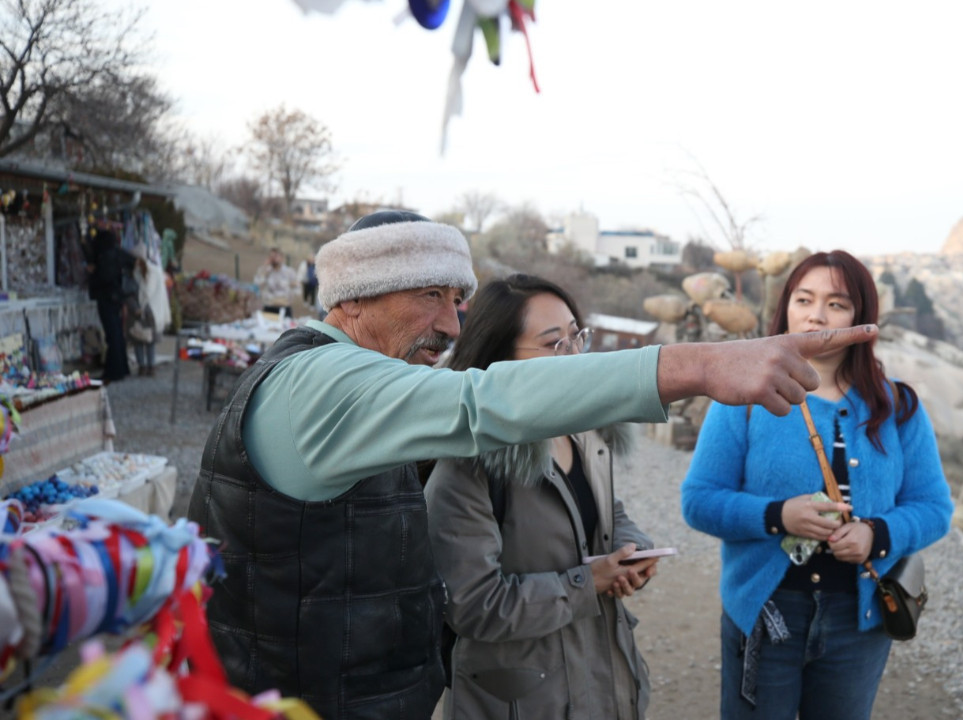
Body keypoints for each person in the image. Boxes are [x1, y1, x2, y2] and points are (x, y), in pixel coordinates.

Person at [186, 211, 879, 719]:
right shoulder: (317, 383)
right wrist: (697, 365)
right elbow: (478, 403)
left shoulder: (360, 388)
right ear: (355, 297)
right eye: (430, 296)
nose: (451, 326)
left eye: (457, 301)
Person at [681, 250, 954, 720]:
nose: (816, 316)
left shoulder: (898, 406)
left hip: (858, 622)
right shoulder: (744, 395)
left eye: (836, 304)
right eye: (804, 299)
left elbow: (934, 507)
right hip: (766, 611)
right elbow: (698, 500)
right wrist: (778, 516)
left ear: (861, 318)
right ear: (785, 307)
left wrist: (876, 534)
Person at [427, 274, 659, 720]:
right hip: (520, 700)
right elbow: (473, 605)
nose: (574, 356)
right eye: (554, 344)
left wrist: (632, 551)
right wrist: (588, 583)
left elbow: (606, 511)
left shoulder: (585, 428)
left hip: (602, 678)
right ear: (501, 360)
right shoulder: (469, 463)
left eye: (577, 337)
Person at [86, 229, 131, 383]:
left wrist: (93, 273)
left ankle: (114, 371)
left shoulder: (105, 257)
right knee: (117, 334)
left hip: (106, 298)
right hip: (117, 298)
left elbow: (103, 278)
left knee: (112, 335)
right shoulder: (118, 254)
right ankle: (121, 367)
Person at [124, 245, 171, 377]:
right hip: (151, 311)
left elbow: (132, 292)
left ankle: (144, 366)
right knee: (146, 340)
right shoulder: (154, 272)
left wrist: (136, 307)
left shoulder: (136, 273)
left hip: (145, 311)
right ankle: (149, 366)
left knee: (141, 339)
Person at [253, 247, 297, 316]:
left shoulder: (289, 272)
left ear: (282, 257)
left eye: (276, 256)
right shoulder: (265, 271)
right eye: (271, 256)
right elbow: (257, 284)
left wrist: (289, 298)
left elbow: (297, 288)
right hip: (269, 307)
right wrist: (264, 268)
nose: (274, 258)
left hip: (284, 308)